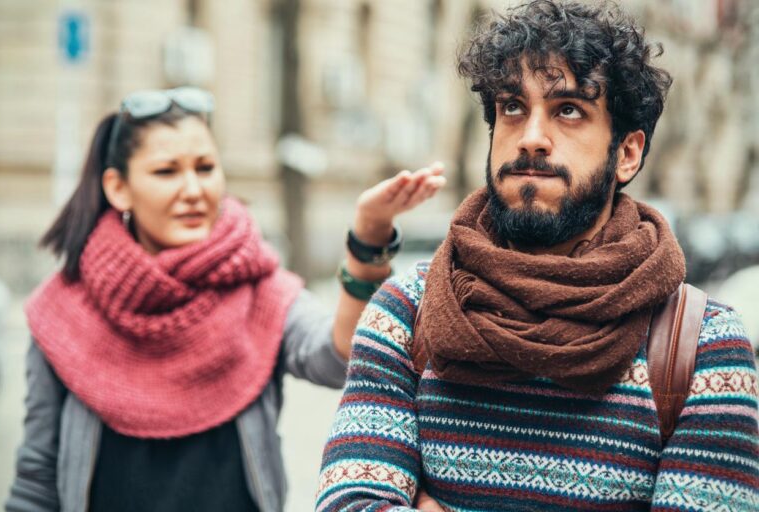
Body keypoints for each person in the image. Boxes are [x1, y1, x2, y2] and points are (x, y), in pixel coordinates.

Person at [315, 1, 759, 511]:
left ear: (627, 153)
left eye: (568, 110)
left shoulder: (699, 348)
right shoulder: (407, 313)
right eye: (513, 107)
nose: (530, 138)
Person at [5, 86, 446, 512]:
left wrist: (369, 237)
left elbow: (343, 355)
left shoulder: (259, 288)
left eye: (205, 167)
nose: (194, 189)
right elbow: (36, 476)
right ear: (118, 188)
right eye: (166, 171)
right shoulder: (65, 311)